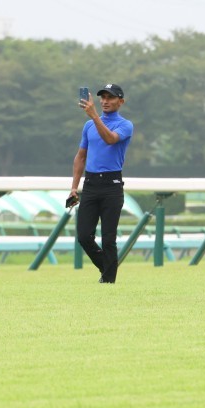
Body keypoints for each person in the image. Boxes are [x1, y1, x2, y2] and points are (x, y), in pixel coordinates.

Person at [68, 83, 134, 284]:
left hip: (111, 185)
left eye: (110, 98)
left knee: (108, 238)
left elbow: (110, 140)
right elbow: (80, 157)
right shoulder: (88, 126)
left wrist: (95, 117)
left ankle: (108, 279)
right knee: (84, 236)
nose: (105, 101)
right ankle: (108, 270)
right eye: (102, 97)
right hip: (91, 184)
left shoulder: (125, 125)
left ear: (120, 102)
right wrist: (73, 187)